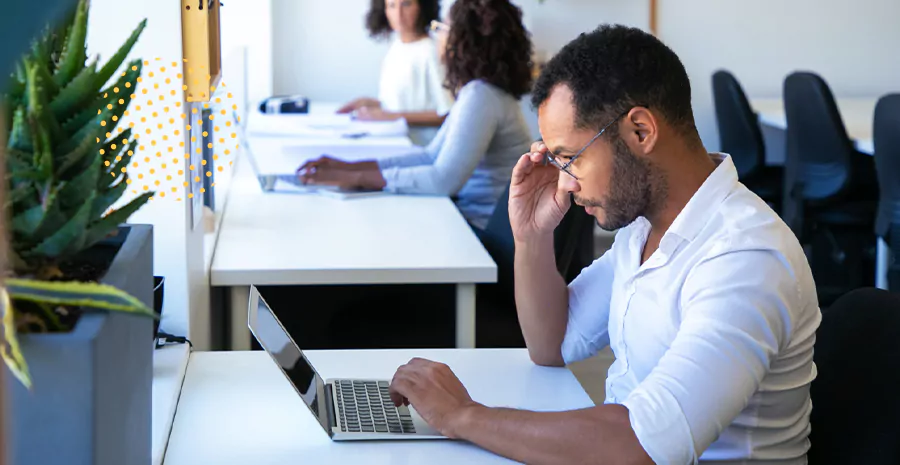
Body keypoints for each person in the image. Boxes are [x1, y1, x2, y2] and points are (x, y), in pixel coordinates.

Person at [385, 24, 822, 464]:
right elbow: (552, 344)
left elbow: (640, 446)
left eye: (570, 158)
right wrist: (532, 236)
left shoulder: (745, 257)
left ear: (640, 132)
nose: (565, 183)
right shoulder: (644, 226)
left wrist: (463, 417)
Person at [300, 0, 534, 230]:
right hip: (467, 217)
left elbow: (443, 180)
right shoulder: (479, 92)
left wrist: (356, 178)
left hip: (480, 231)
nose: (439, 37)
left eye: (442, 29)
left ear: (463, 40)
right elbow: (430, 157)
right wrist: (349, 168)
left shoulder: (482, 96)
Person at [337, 0, 453, 132]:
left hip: (420, 146)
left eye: (406, 4)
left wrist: (390, 117)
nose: (398, 14)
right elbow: (401, 104)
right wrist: (371, 104)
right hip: (394, 139)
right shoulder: (397, 47)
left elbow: (448, 114)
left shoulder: (432, 52)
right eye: (392, 5)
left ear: (422, 7)